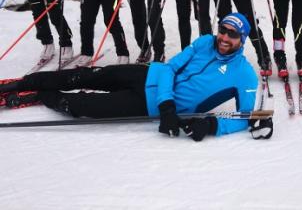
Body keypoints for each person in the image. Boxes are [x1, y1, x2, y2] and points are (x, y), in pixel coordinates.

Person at [0, 13, 273, 141]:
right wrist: (168, 104)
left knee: (85, 107)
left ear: (242, 40)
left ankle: (41, 96)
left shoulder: (245, 76)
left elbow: (246, 117)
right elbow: (169, 68)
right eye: (223, 30)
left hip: (147, 104)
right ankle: (27, 82)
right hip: (147, 74)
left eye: (232, 34)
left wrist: (211, 127)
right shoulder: (204, 42)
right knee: (86, 76)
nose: (224, 38)